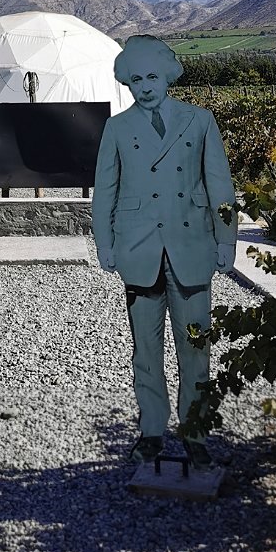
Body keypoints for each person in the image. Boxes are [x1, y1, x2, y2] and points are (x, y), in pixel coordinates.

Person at [91, 35, 236, 467]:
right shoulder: (117, 128)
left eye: (152, 77)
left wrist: (226, 239)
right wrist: (105, 243)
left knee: (195, 347)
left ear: (168, 76)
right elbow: (105, 191)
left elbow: (220, 186)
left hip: (192, 249)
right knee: (146, 352)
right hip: (139, 252)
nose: (146, 87)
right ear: (127, 83)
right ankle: (152, 431)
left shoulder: (200, 121)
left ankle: (195, 433)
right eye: (136, 80)